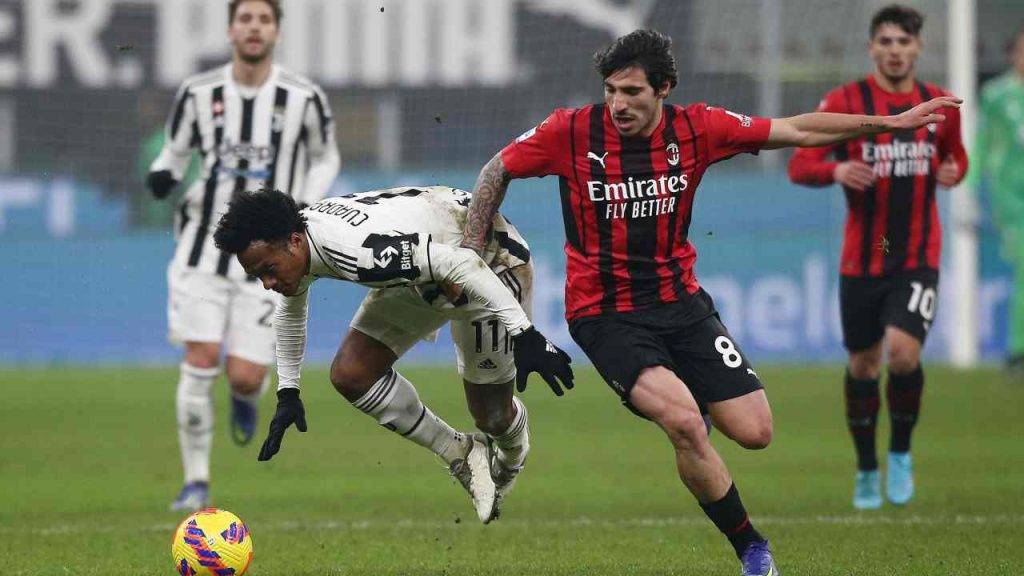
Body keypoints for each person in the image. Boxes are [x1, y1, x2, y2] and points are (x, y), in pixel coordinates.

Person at [459, 28, 960, 576]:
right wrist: (469, 252)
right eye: (610, 91)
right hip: (604, 314)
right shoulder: (570, 131)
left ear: (665, 89)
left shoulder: (698, 128)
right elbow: (496, 169)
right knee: (686, 426)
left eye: (632, 93)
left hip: (682, 304)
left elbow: (796, 129)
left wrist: (892, 123)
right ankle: (752, 548)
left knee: (755, 432)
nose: (618, 104)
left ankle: (688, 408)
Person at [212, 187, 574, 523]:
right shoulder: (298, 242)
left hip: (489, 262)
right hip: (425, 274)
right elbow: (290, 310)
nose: (267, 284)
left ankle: (511, 459)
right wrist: (288, 391)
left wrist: (524, 333)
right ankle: (459, 452)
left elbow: (460, 264)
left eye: (268, 271)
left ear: (293, 242)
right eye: (258, 276)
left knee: (492, 416)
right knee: (351, 374)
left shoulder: (358, 252)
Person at [146, 0, 341, 511]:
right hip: (201, 247)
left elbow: (326, 156)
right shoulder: (197, 93)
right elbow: (176, 149)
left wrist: (306, 203)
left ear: (276, 30)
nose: (254, 28)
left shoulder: (304, 98)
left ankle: (243, 397)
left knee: (246, 376)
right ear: (231, 28)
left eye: (264, 19)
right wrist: (165, 172)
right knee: (200, 357)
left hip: (269, 259)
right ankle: (196, 482)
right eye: (245, 19)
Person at [788, 5, 967, 510]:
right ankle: (867, 467)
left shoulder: (937, 104)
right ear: (872, 47)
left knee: (904, 352)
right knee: (864, 365)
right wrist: (836, 172)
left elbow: (956, 156)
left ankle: (902, 453)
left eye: (903, 42)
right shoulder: (847, 101)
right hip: (865, 255)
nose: (894, 51)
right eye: (885, 42)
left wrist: (956, 171)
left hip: (914, 253)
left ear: (917, 48)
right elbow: (801, 163)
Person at [975, 24, 1024, 373]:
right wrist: (970, 188)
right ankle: (1017, 350)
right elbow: (982, 145)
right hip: (1012, 198)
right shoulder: (996, 94)